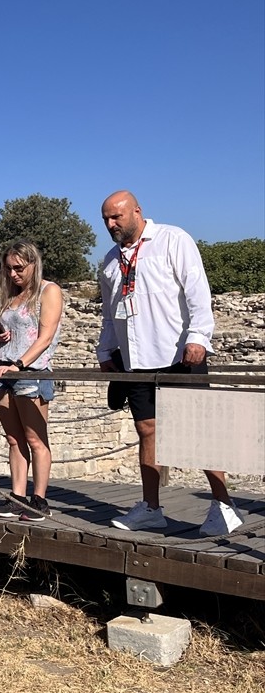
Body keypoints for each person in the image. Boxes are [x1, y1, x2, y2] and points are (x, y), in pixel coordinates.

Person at [97, 190, 243, 535]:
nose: (111, 224)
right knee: (146, 429)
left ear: (137, 211)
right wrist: (105, 350)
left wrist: (199, 337)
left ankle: (224, 505)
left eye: (116, 216)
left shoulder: (172, 240)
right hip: (136, 358)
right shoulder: (110, 260)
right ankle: (150, 507)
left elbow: (197, 292)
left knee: (196, 430)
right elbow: (110, 312)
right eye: (106, 219)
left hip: (178, 353)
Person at [0, 240, 63, 523]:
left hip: (30, 372)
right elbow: (9, 332)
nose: (13, 274)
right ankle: (17, 497)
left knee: (35, 438)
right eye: (9, 268)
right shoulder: (12, 295)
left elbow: (45, 337)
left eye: (18, 268)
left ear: (33, 264)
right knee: (14, 439)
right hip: (3, 372)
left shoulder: (49, 291)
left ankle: (39, 501)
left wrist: (18, 364)